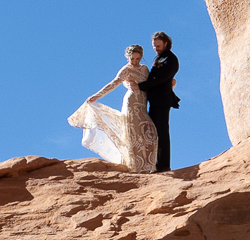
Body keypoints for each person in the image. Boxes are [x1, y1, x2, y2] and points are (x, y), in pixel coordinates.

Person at [69, 44, 159, 172]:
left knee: (150, 133)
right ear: (127, 57)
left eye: (138, 59)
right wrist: (96, 96)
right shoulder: (125, 70)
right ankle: (135, 167)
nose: (134, 61)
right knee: (133, 134)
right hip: (131, 103)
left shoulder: (145, 69)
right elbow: (113, 83)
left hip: (142, 104)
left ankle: (147, 165)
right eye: (132, 58)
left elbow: (150, 84)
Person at [144, 30, 180, 172]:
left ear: (166, 43)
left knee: (162, 132)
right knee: (153, 131)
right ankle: (153, 164)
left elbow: (161, 79)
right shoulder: (158, 58)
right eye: (154, 46)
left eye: (158, 45)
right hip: (154, 100)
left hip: (162, 100)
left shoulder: (171, 59)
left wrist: (141, 86)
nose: (156, 48)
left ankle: (164, 165)